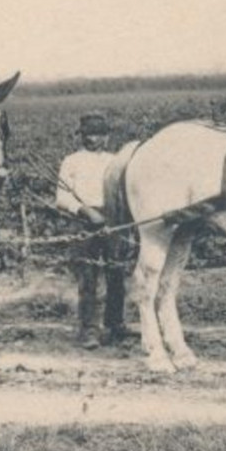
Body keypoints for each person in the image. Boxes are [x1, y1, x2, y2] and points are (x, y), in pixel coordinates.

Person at [54, 113, 129, 348]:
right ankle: (89, 330)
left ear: (106, 137)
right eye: (87, 134)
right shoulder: (71, 161)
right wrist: (86, 211)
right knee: (88, 276)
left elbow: (124, 193)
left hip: (113, 218)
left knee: (116, 272)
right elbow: (61, 198)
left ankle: (115, 324)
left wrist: (118, 218)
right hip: (84, 220)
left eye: (97, 134)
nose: (92, 139)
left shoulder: (115, 161)